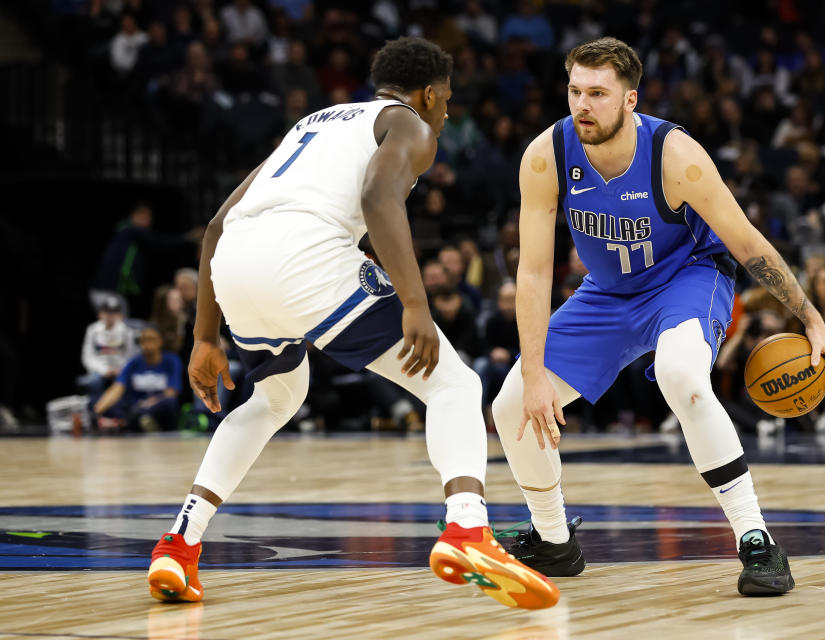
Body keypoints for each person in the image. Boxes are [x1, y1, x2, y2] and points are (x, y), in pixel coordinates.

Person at [146, 37, 558, 611]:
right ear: (430, 93)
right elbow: (376, 197)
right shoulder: (410, 123)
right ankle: (467, 529)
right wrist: (415, 302)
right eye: (447, 99)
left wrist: (203, 338)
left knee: (273, 400)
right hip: (305, 255)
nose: (445, 110)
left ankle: (179, 545)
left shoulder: (311, 123)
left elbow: (216, 224)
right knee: (454, 385)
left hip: (236, 261)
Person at [491, 38, 825, 596]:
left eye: (598, 94)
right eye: (575, 91)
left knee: (682, 375)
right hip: (607, 293)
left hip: (687, 278)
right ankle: (554, 541)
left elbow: (747, 243)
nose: (583, 104)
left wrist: (811, 318)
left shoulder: (675, 156)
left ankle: (756, 539)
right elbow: (533, 274)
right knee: (511, 405)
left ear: (630, 99)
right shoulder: (546, 155)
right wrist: (533, 372)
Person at [92, 325, 182, 431]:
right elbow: (117, 388)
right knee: (96, 401)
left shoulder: (172, 361)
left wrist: (150, 403)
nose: (147, 344)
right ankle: (136, 422)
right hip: (136, 405)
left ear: (160, 341)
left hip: (158, 405)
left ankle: (124, 423)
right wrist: (96, 411)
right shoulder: (133, 363)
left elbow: (172, 392)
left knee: (169, 403)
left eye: (151, 340)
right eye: (143, 340)